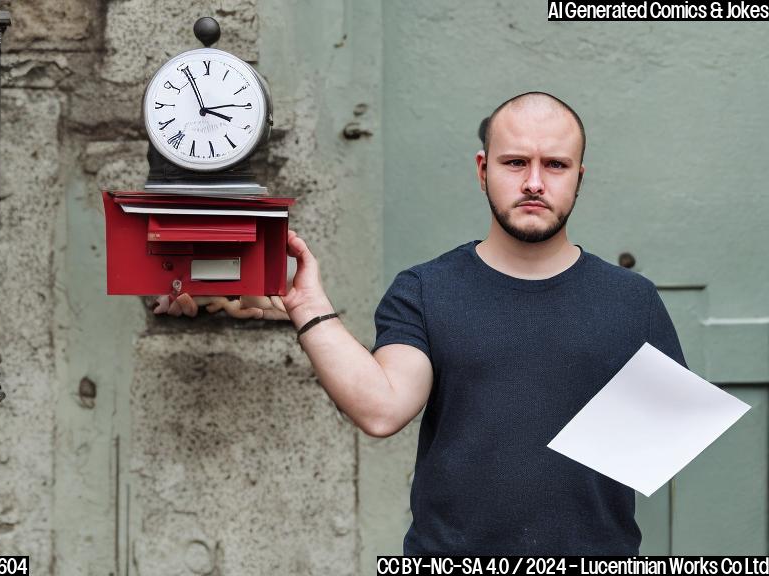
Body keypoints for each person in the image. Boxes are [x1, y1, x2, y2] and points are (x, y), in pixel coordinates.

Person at [280, 92, 687, 554]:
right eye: (515, 163)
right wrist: (307, 303)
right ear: (482, 169)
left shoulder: (632, 301)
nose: (534, 182)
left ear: (579, 177)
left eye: (555, 165)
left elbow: (661, 444)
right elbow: (381, 408)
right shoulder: (425, 290)